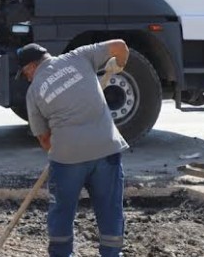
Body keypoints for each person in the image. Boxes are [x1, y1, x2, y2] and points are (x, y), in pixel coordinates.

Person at [16, 40, 131, 257]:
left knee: (62, 211)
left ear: (31, 66)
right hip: (106, 148)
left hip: (67, 158)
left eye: (24, 73)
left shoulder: (33, 93)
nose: (27, 78)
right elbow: (120, 45)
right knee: (110, 209)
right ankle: (112, 253)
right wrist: (120, 64)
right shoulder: (78, 56)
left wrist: (62, 153)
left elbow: (44, 139)